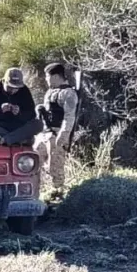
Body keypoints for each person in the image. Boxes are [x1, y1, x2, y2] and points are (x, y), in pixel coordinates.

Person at [33, 63, 79, 191]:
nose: (46, 79)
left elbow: (69, 117)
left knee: (55, 168)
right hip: (44, 133)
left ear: (56, 76)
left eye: (48, 76)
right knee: (33, 161)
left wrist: (62, 137)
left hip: (57, 134)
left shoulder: (68, 93)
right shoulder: (50, 92)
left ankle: (58, 194)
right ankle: (34, 191)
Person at [0, 67, 41, 146]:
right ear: (3, 81)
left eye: (16, 88)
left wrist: (19, 113)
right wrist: (0, 111)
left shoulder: (24, 90)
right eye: (9, 87)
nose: (13, 91)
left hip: (17, 126)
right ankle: (20, 140)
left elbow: (32, 115)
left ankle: (2, 140)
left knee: (38, 124)